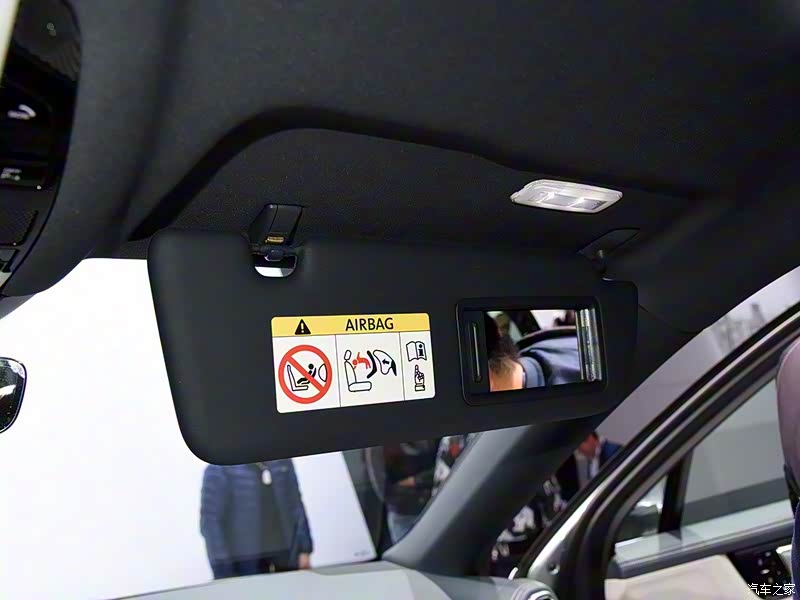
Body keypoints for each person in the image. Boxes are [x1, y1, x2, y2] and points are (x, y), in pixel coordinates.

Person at [200, 460, 313, 579]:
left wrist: (304, 550)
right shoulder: (220, 468)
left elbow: (296, 506)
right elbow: (210, 522)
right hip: (244, 564)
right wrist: (223, 571)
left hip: (287, 559)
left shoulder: (282, 462)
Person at [383, 440, 439, 543]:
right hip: (403, 513)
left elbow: (444, 468)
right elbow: (384, 490)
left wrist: (415, 480)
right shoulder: (378, 450)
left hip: (435, 505)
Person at [556, 431, 622, 502]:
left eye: (579, 448)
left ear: (589, 438)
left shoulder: (612, 452)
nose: (580, 451)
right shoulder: (593, 459)